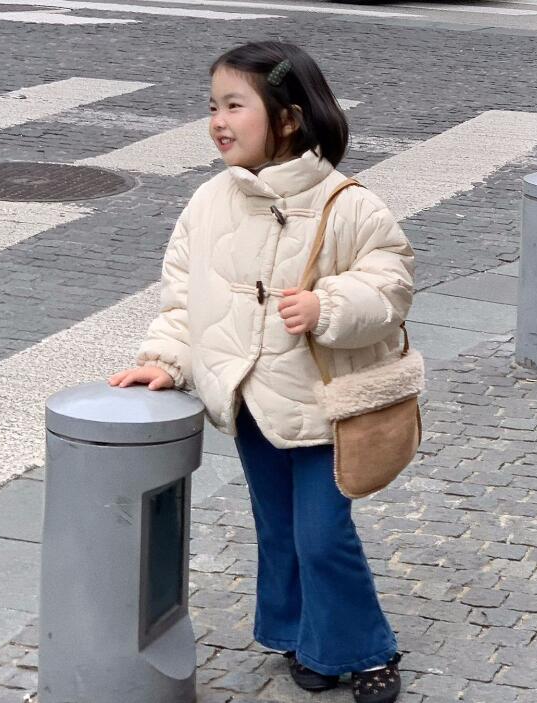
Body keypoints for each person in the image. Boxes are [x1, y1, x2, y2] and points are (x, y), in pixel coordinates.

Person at [109, 40, 414, 703]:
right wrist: (164, 361)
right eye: (211, 107)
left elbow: (390, 285)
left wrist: (329, 305)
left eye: (234, 106)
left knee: (322, 534)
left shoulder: (348, 204)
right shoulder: (208, 203)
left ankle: (367, 649)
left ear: (289, 118)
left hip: (327, 404)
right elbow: (183, 300)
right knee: (278, 527)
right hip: (253, 402)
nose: (218, 121)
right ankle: (304, 637)